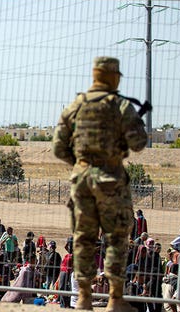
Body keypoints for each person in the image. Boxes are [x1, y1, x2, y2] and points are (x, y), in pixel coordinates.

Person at [52, 56, 147, 310]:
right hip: (110, 180)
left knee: (83, 238)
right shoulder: (120, 105)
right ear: (113, 77)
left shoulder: (77, 105)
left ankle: (83, 298)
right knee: (116, 238)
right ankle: (115, 300)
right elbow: (139, 143)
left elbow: (58, 147)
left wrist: (80, 164)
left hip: (81, 181)